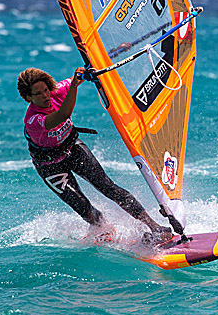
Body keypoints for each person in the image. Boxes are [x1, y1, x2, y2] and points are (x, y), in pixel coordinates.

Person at [17, 66, 172, 241]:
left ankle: (155, 227)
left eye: (46, 90)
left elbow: (79, 77)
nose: (46, 95)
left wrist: (87, 71)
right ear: (28, 97)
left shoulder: (57, 91)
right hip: (50, 166)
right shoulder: (33, 120)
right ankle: (104, 229)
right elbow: (63, 114)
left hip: (73, 149)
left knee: (108, 187)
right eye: (39, 94)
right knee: (82, 207)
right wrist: (74, 85)